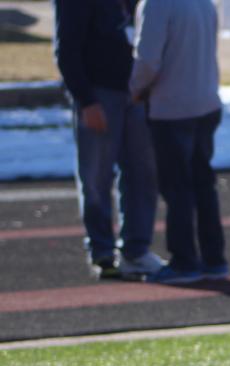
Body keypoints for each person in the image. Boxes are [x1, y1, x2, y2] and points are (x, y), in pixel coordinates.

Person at [53, 0, 163, 280]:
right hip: (100, 94)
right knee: (96, 177)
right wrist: (86, 101)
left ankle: (136, 250)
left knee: (142, 173)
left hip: (137, 91)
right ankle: (102, 250)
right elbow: (66, 49)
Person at [127, 0, 227, 284]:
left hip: (172, 105)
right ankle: (213, 257)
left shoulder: (156, 4)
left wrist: (135, 89)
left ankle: (185, 261)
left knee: (177, 187)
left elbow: (147, 59)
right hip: (205, 99)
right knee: (202, 184)